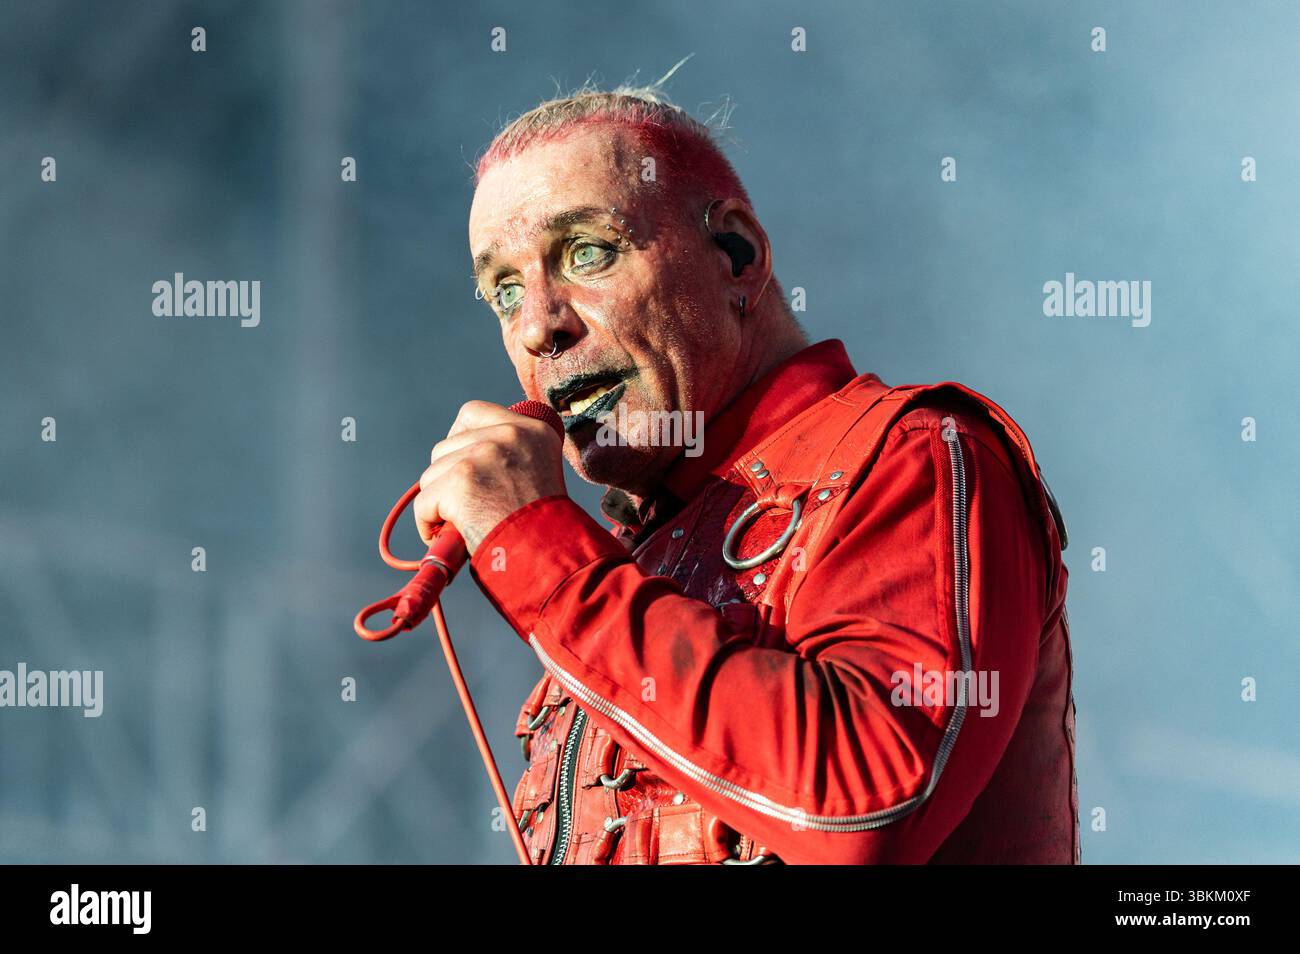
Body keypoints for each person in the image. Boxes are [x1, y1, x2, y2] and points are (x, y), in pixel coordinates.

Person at [412, 82, 1078, 864]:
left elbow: (866, 808)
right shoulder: (634, 562)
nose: (537, 326)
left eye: (587, 252)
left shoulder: (915, 454)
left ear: (739, 256)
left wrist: (542, 558)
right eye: (505, 291)